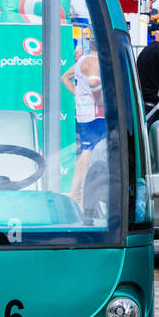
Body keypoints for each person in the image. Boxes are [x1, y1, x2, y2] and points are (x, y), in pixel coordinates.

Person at [62, 47, 104, 203]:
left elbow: (64, 78)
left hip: (83, 112)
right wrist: (99, 99)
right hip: (95, 113)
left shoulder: (81, 60)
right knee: (90, 154)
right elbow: (94, 82)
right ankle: (85, 194)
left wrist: (79, 94)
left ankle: (74, 193)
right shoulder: (94, 62)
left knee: (86, 151)